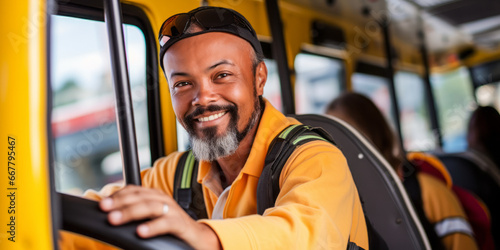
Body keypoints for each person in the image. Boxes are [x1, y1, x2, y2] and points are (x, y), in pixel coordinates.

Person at [61, 6, 368, 249]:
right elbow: (99, 218)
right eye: (183, 83)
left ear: (259, 78)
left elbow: (307, 235)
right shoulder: (175, 176)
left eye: (221, 76)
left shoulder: (316, 159)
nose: (202, 98)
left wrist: (202, 237)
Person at [326, 92, 479, 250]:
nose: (335, 149)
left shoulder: (430, 192)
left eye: (346, 137)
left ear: (372, 136)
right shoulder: (335, 200)